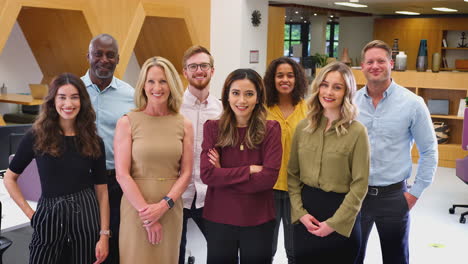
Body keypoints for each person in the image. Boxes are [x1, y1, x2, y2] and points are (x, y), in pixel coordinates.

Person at [4, 73, 110, 264]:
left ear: (83, 101)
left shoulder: (94, 141)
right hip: (48, 214)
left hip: (85, 215)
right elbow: (9, 178)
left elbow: (102, 190)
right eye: (62, 97)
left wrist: (104, 235)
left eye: (74, 97)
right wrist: (31, 214)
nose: (68, 104)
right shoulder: (36, 136)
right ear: (53, 101)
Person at [354, 40, 438, 264]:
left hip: (393, 196)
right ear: (362, 66)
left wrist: (415, 193)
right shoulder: (350, 103)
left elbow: (429, 151)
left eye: (381, 61)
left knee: (396, 258)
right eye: (370, 61)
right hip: (355, 195)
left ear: (391, 64)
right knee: (351, 256)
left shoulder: (412, 103)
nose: (375, 66)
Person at [288, 62, 370, 264]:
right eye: (324, 85)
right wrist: (300, 214)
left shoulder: (357, 132)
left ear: (347, 92)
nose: (329, 92)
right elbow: (292, 175)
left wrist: (334, 224)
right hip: (306, 218)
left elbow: (360, 185)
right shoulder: (302, 127)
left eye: (337, 87)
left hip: (341, 217)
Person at [114, 56, 193, 263]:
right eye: (151, 81)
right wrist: (148, 216)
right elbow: (122, 174)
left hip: (170, 208)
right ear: (143, 85)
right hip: (136, 208)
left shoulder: (184, 124)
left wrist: (163, 206)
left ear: (172, 85)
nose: (157, 87)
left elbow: (186, 173)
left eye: (163, 81)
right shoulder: (127, 122)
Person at [200, 68, 282, 264]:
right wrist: (249, 170)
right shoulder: (212, 128)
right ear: (227, 95)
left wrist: (224, 174)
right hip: (219, 218)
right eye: (236, 93)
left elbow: (268, 179)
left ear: (258, 97)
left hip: (258, 219)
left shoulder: (271, 129)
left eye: (249, 94)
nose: (242, 101)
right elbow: (208, 175)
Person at [82, 33, 135, 264]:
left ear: (118, 59)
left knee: (112, 246)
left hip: (115, 183)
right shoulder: (72, 92)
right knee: (82, 244)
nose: (104, 59)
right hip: (79, 183)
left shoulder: (130, 95)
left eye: (110, 55)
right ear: (88, 56)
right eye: (98, 54)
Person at [179, 45, 222, 264]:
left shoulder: (223, 110)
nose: (199, 71)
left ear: (212, 71)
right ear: (185, 72)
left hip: (210, 195)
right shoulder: (173, 108)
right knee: (175, 254)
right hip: (177, 195)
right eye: (193, 66)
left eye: (204, 65)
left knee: (220, 253)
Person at [264, 56, 308, 264]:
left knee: (295, 249)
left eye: (290, 75)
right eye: (279, 75)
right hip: (267, 189)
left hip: (297, 190)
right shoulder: (262, 109)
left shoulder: (308, 110)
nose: (285, 80)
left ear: (297, 78)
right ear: (272, 79)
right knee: (266, 248)